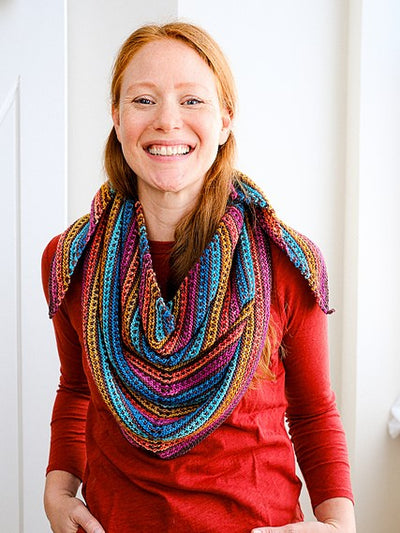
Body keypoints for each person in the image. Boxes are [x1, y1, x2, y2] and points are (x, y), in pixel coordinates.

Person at [42, 22, 356, 533]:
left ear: (225, 119)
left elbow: (314, 411)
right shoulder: (69, 260)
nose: (167, 121)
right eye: (144, 100)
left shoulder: (285, 260)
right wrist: (57, 493)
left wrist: (340, 525)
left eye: (192, 101)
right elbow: (76, 387)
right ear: (117, 118)